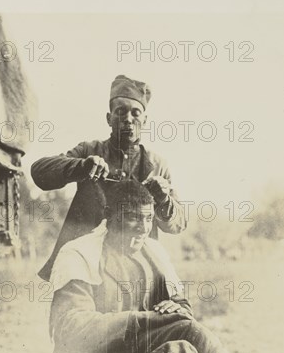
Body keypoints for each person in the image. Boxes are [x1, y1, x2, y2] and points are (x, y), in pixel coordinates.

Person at [48, 179, 284, 353]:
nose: (143, 228)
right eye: (132, 218)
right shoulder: (79, 254)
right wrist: (146, 320)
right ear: (108, 216)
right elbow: (70, 328)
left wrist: (177, 309)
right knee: (187, 333)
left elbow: (181, 309)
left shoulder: (152, 253)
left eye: (147, 218)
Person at [31, 74, 186, 281]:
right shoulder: (89, 151)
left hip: (136, 262)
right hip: (88, 262)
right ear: (108, 118)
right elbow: (39, 172)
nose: (128, 119)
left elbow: (178, 224)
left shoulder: (157, 165)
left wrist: (164, 200)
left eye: (135, 113)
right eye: (120, 112)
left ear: (145, 120)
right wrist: (80, 166)